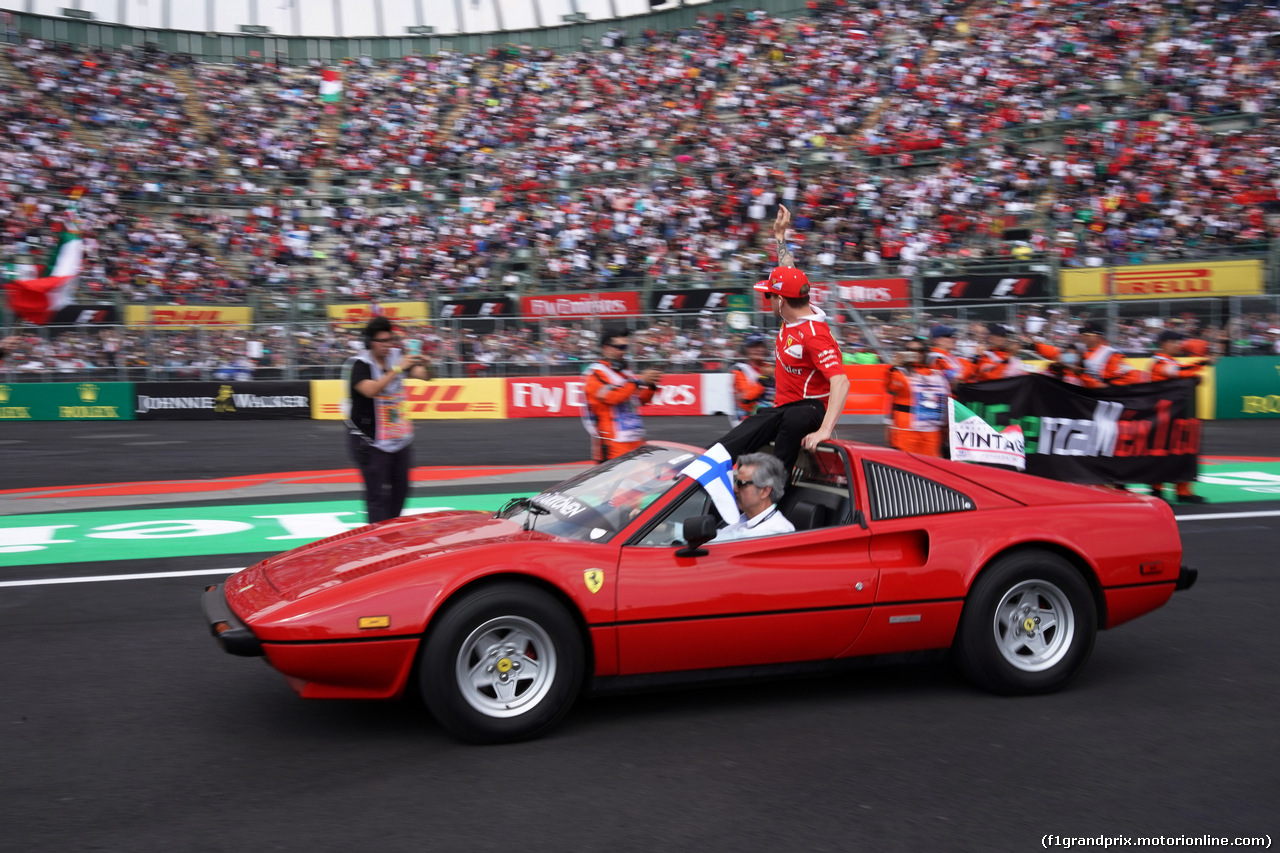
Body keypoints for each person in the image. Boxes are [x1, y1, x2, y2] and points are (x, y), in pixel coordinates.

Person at [718, 205, 849, 471]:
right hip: (785, 409)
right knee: (743, 434)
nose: (767, 300)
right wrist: (780, 237)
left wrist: (825, 430)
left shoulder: (813, 335)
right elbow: (787, 273)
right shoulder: (793, 312)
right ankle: (706, 468)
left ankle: (773, 495)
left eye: (769, 296)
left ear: (781, 300)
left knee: (779, 451)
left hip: (804, 413)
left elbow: (841, 381)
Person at [343, 316, 433, 523]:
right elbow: (371, 390)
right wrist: (398, 369)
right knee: (377, 495)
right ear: (369, 342)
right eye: (381, 341)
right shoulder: (359, 365)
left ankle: (390, 531)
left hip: (398, 438)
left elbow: (425, 375)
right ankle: (377, 539)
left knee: (401, 489)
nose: (387, 345)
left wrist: (428, 365)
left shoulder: (397, 356)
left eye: (389, 340)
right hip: (370, 440)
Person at [1146, 330, 1209, 504]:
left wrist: (1193, 377)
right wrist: (1203, 362)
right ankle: (1157, 488)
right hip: (1162, 415)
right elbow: (1180, 373)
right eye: (1175, 342)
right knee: (1161, 451)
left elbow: (1183, 374)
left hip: (1176, 415)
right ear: (1164, 344)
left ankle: (1182, 490)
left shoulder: (1169, 361)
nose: (1179, 345)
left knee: (1181, 450)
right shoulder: (1158, 362)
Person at [582, 327, 663, 463]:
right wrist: (639, 381)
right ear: (606, 348)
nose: (623, 351)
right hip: (612, 443)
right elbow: (612, 397)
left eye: (626, 347)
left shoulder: (624, 373)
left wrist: (651, 385)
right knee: (616, 483)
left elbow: (640, 400)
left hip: (635, 439)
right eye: (620, 347)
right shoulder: (595, 373)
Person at [884, 337, 950, 457]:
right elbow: (891, 388)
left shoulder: (937, 373)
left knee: (931, 465)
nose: (915, 354)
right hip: (906, 430)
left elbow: (948, 398)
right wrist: (894, 366)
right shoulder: (898, 372)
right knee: (906, 466)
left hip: (932, 430)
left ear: (925, 352)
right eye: (910, 350)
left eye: (919, 350)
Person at [711, 453, 795, 541]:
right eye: (735, 481)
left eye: (741, 483)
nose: (735, 488)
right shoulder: (741, 519)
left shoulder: (778, 532)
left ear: (765, 491)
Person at [729, 333, 775, 426]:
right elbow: (746, 397)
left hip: (770, 413)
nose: (759, 350)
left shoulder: (770, 367)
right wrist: (763, 380)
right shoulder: (739, 369)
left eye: (762, 347)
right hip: (747, 417)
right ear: (746, 350)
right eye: (754, 346)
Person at [1078, 320, 1142, 386]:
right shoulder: (1081, 352)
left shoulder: (1110, 354)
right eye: (1082, 334)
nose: (1083, 337)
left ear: (1098, 337)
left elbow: (1133, 376)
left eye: (1087, 335)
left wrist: (1110, 386)